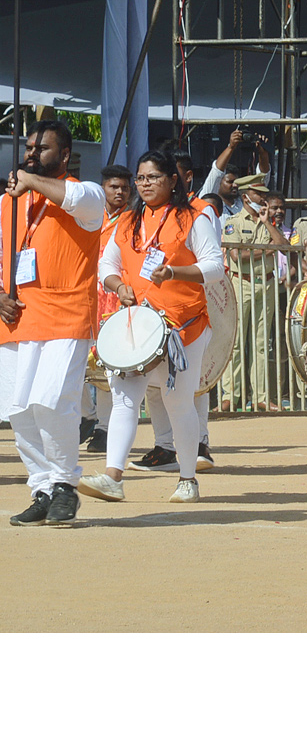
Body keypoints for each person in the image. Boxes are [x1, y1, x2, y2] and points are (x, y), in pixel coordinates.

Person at [77, 151, 225, 505]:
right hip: (138, 324)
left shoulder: (195, 216)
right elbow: (106, 265)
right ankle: (113, 476)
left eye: (153, 177)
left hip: (183, 325)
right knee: (126, 397)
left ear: (173, 180)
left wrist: (175, 272)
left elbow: (215, 266)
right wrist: (118, 286)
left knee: (177, 402)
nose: (144, 184)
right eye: (140, 178)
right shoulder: (128, 221)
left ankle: (188, 478)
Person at [2, 121, 105, 526]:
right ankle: (41, 487)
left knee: (51, 400)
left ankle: (65, 484)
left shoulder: (88, 194)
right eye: (29, 147)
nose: (32, 154)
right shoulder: (8, 202)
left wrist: (29, 180)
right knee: (19, 410)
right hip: (18, 318)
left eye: (43, 148)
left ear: (64, 156)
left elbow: (73, 197)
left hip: (66, 315)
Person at [219, 172, 288, 411]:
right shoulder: (233, 222)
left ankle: (261, 396)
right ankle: (231, 396)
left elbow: (283, 246)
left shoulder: (268, 221)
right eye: (259, 193)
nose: (263, 197)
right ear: (247, 194)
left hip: (266, 283)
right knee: (236, 342)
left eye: (264, 193)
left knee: (261, 343)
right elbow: (239, 256)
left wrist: (267, 221)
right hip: (241, 283)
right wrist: (266, 251)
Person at [82, 163, 133, 453]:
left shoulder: (133, 219)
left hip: (117, 298)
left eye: (125, 187)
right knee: (77, 361)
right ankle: (87, 416)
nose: (120, 192)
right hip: (85, 295)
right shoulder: (88, 215)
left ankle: (103, 428)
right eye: (114, 186)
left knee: (110, 366)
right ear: (103, 187)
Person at [198, 129, 272, 216]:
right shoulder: (210, 200)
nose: (235, 185)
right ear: (219, 183)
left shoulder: (245, 202)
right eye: (230, 182)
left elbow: (263, 178)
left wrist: (263, 154)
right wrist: (231, 147)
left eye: (236, 182)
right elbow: (216, 172)